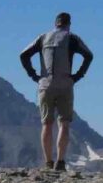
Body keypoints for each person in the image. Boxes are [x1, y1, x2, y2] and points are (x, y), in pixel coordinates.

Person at [20, 12, 93, 171]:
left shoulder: (43, 37)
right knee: (64, 124)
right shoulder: (72, 38)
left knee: (46, 123)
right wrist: (77, 76)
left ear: (56, 23)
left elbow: (24, 55)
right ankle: (60, 162)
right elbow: (89, 55)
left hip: (45, 84)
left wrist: (34, 76)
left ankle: (48, 162)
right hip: (65, 84)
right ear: (68, 24)